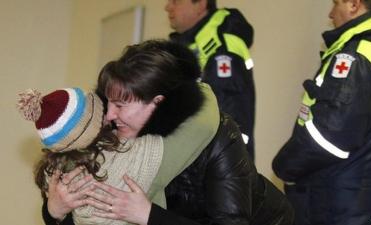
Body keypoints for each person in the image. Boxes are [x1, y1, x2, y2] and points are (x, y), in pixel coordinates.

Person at [40, 40, 294, 225]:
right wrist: (54, 211)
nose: (109, 116)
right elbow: (93, 214)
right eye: (108, 103)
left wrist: (148, 215)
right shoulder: (112, 134)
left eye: (120, 105)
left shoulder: (217, 135)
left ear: (157, 102)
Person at [272, 1, 371, 224]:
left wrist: (284, 167)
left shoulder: (359, 54)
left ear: (354, 4)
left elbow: (331, 135)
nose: (331, 14)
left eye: (336, 3)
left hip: (344, 204)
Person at [17, 87, 214, 225]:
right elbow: (207, 111)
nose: (111, 113)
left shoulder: (57, 176)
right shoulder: (136, 155)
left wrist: (53, 213)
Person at [165, 0, 256, 159]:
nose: (167, 7)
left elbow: (226, 116)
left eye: (176, 1)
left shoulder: (221, 46)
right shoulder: (190, 45)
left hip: (217, 166)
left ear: (201, 4)